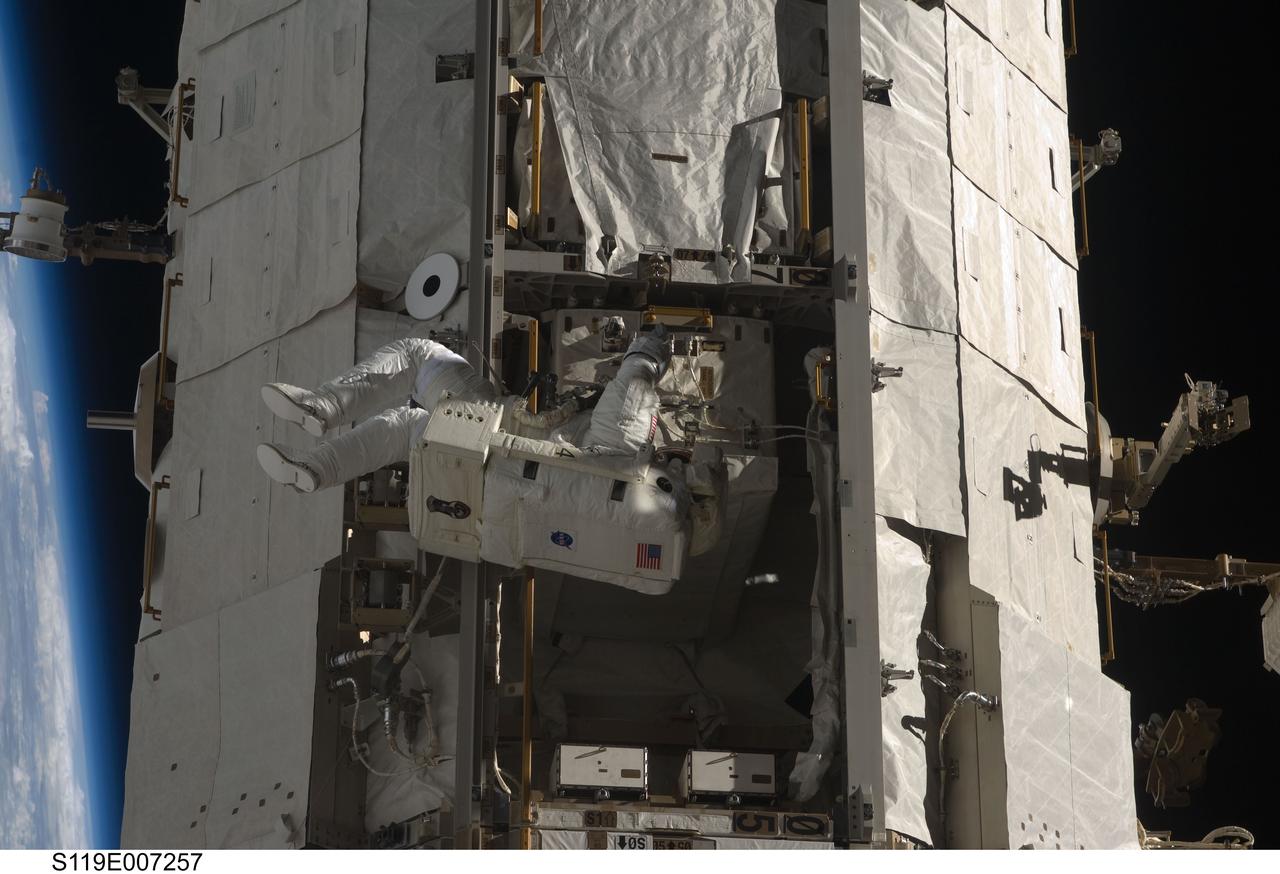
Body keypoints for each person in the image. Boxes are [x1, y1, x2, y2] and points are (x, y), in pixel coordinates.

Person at [255, 324, 672, 493]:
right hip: (492, 472)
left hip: (495, 428)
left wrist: (650, 348)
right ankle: (313, 469)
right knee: (402, 429)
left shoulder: (628, 451)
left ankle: (321, 406)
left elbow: (632, 393)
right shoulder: (614, 495)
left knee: (416, 355)